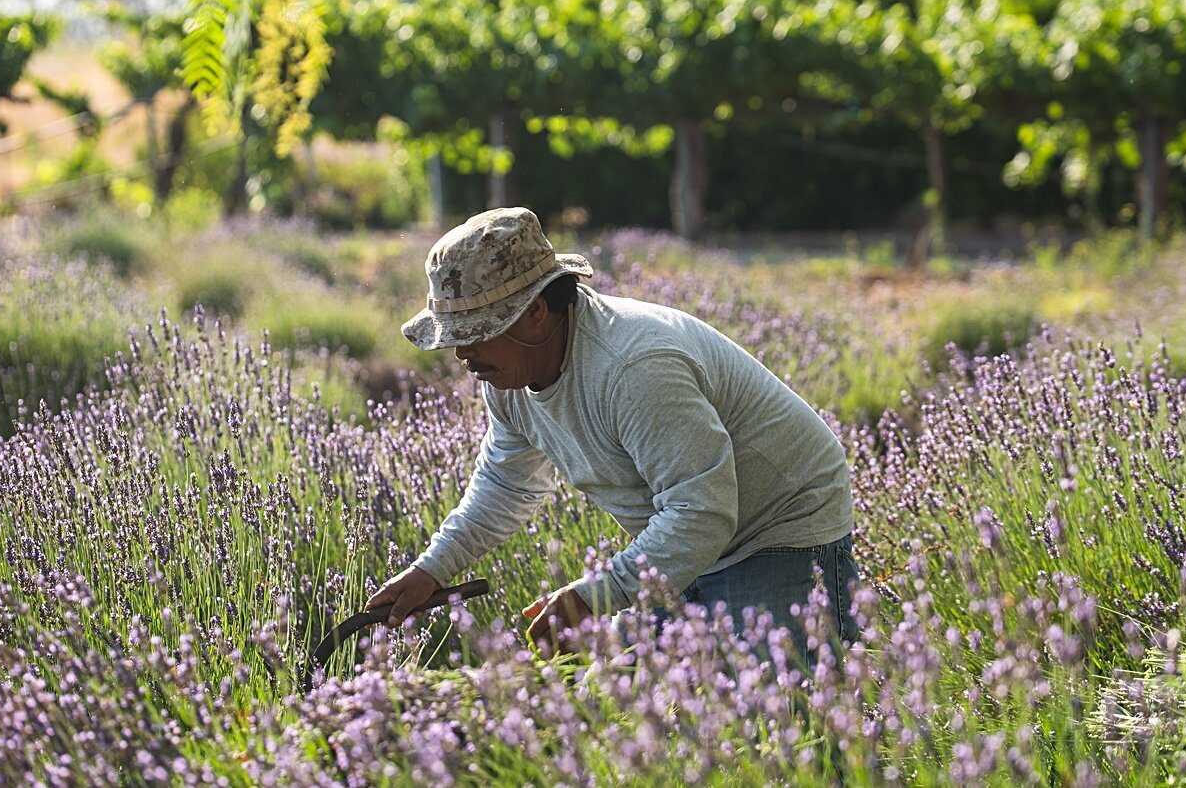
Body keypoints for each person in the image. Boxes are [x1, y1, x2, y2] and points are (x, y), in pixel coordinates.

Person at [366, 207, 859, 655]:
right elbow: (507, 485)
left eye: (472, 332)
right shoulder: (509, 374)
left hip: (780, 529)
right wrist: (432, 569)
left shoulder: (634, 368)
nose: (460, 353)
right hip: (692, 540)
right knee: (671, 728)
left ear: (535, 313)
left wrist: (593, 597)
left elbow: (702, 511)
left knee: (784, 727)